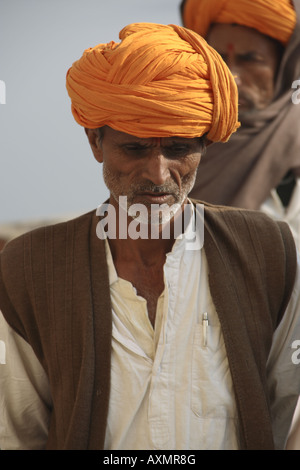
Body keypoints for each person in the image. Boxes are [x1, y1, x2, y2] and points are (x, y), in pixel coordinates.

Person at [0, 22, 299, 451]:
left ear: (205, 146)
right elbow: (15, 433)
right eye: (135, 149)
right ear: (95, 142)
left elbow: (283, 412)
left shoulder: (268, 251)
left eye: (179, 149)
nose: (158, 175)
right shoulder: (30, 267)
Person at [180, 0, 300, 249]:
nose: (232, 77)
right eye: (220, 59)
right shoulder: (177, 153)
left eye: (250, 59)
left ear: (286, 67)